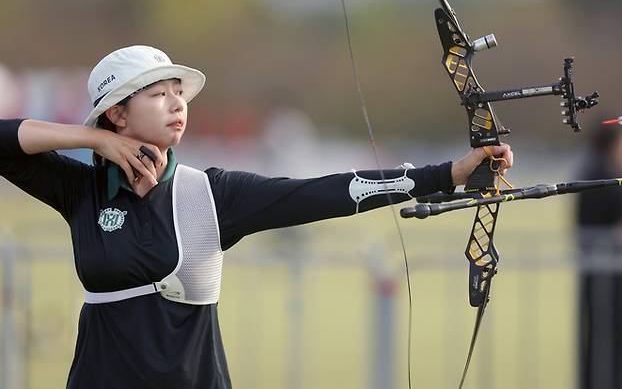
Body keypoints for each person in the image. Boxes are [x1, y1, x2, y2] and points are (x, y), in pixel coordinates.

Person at [0, 45, 513, 389]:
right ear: (116, 113)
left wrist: (448, 173)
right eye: (158, 94)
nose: (177, 103)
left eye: (179, 91)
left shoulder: (212, 194)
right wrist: (92, 139)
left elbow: (326, 192)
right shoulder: (82, 190)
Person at [575, 122, 622, 389]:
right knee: (611, 345)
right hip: (610, 277)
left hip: (598, 272)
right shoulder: (608, 175)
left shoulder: (590, 171)